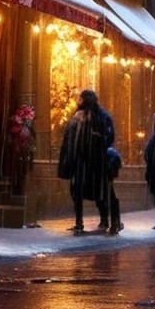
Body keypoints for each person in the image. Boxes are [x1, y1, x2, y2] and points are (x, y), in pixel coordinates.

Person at [57, 89, 116, 235]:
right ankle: (79, 222)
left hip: (96, 163)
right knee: (76, 191)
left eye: (81, 99)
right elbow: (69, 138)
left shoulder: (102, 116)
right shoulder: (77, 116)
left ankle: (104, 220)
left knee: (99, 193)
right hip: (79, 163)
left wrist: (99, 137)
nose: (78, 101)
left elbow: (109, 135)